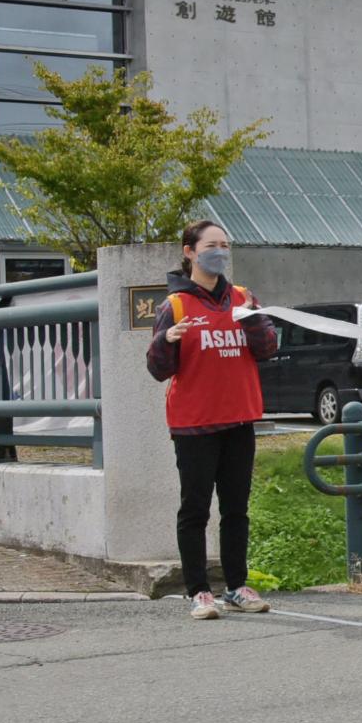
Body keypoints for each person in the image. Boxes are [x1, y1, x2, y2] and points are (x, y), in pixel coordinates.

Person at [147, 221, 278, 619]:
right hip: (195, 423)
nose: (219, 251)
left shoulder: (242, 298)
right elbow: (157, 369)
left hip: (239, 418)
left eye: (225, 244)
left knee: (236, 508)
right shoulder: (176, 305)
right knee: (196, 508)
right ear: (189, 251)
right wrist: (164, 342)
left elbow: (268, 348)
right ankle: (199, 591)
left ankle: (237, 586)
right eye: (210, 245)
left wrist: (253, 320)